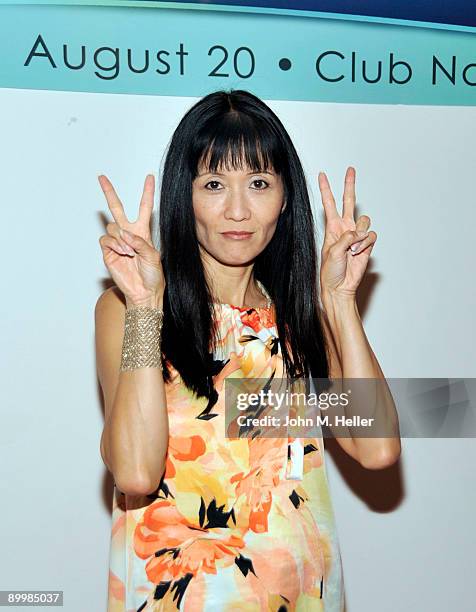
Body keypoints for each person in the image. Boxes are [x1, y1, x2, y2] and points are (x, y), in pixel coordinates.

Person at [95, 89, 401, 611]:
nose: (237, 210)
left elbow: (377, 450)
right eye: (214, 184)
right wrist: (147, 303)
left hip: (301, 593)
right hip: (182, 596)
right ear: (182, 194)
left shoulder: (297, 315)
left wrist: (340, 302)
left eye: (259, 183)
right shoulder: (131, 309)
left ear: (285, 197)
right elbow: (135, 473)